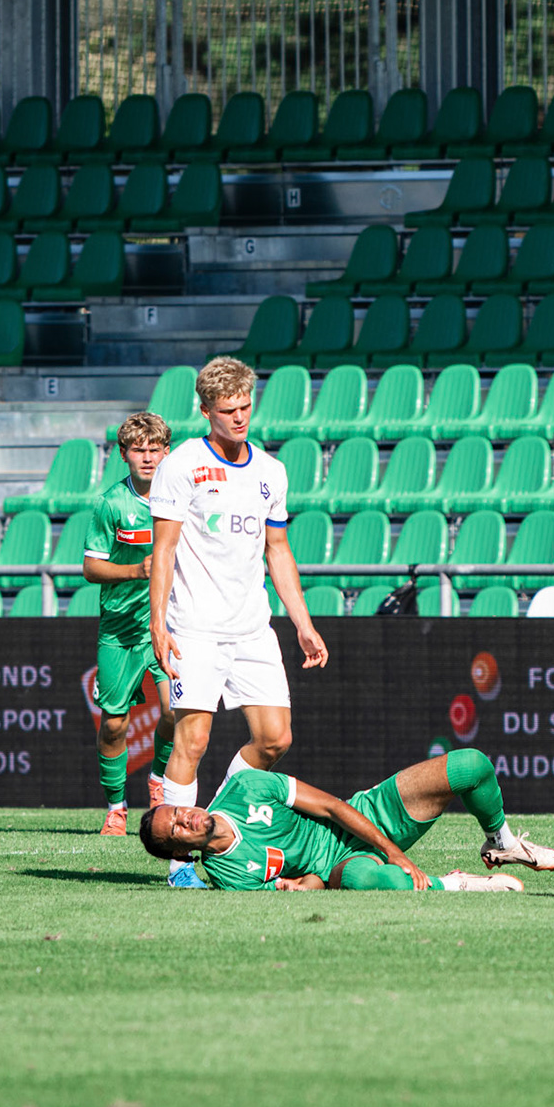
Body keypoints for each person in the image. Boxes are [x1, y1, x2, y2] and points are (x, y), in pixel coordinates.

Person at [147, 356, 329, 888]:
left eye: (246, 406)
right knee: (194, 739)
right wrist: (159, 624)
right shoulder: (181, 465)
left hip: (252, 628)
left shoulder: (271, 472)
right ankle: (181, 866)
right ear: (206, 411)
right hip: (195, 627)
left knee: (275, 739)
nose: (240, 417)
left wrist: (303, 622)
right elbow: (164, 551)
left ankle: (225, 809)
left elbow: (278, 550)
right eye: (228, 410)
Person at [137, 749, 554, 892]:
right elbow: (305, 885)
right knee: (376, 883)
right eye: (175, 828)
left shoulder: (244, 786)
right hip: (335, 867)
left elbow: (332, 808)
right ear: (180, 851)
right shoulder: (226, 877)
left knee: (470, 766)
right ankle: (458, 883)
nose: (186, 818)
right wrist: (303, 885)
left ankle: (501, 842)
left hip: (362, 815)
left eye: (178, 811)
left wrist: (396, 854)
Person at [81, 411, 177, 836]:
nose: (148, 457)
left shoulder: (181, 499)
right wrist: (137, 572)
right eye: (139, 450)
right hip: (120, 628)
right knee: (115, 724)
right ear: (124, 454)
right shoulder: (110, 503)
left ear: (166, 452)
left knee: (179, 710)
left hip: (171, 623)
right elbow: (90, 568)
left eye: (155, 449)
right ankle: (117, 807)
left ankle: (158, 780)